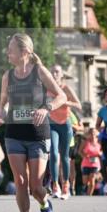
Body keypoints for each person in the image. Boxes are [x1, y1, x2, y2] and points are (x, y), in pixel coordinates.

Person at [0, 33, 66, 212]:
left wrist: (46, 108)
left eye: (11, 49)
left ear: (24, 52)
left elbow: (60, 95)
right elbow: (4, 102)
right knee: (20, 181)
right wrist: (1, 112)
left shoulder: (39, 71)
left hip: (37, 134)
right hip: (14, 134)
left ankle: (45, 206)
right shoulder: (7, 75)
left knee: (36, 186)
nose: (8, 52)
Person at [48, 64, 82, 199]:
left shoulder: (66, 88)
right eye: (52, 72)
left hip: (65, 124)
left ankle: (66, 185)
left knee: (64, 156)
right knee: (54, 153)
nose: (55, 74)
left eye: (57, 72)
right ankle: (55, 185)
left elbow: (78, 105)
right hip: (51, 124)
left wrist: (65, 102)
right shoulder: (47, 89)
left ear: (62, 74)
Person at [80, 127, 102, 196]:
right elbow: (80, 151)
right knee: (85, 181)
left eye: (94, 133)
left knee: (92, 179)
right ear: (89, 134)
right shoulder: (85, 142)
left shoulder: (99, 141)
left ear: (96, 134)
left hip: (95, 164)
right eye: (91, 133)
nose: (93, 134)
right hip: (86, 163)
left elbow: (102, 151)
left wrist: (100, 154)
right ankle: (86, 189)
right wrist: (85, 156)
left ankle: (89, 195)